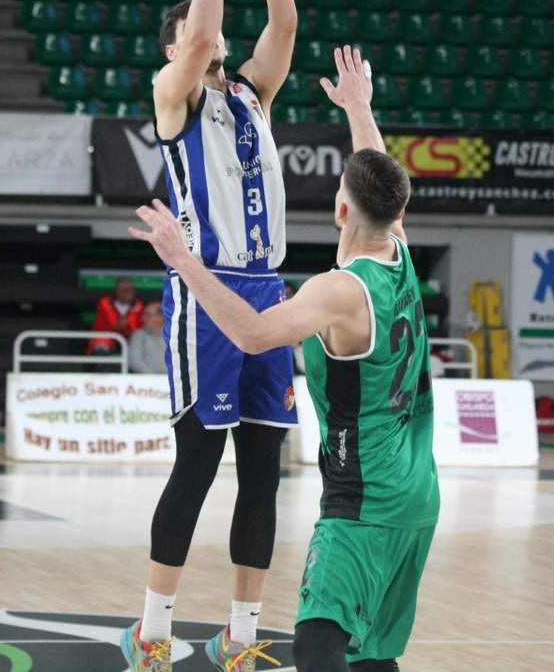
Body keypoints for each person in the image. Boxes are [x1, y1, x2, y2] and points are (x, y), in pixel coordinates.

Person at [129, 45, 437, 672]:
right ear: (396, 212)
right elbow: (379, 179)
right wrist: (358, 107)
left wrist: (183, 261)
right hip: (418, 498)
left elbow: (250, 335)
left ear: (340, 209)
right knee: (373, 657)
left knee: (320, 649)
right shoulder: (398, 253)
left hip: (362, 501)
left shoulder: (338, 290)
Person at [123, 0, 300, 672]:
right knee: (198, 462)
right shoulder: (173, 94)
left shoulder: (253, 96)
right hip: (207, 287)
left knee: (263, 472)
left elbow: (285, 26)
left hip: (269, 291)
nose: (208, 37)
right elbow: (199, 39)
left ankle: (238, 634)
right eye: (195, 32)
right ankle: (154, 631)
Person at [92, 276, 146, 355]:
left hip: (131, 339)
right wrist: (116, 327)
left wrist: (128, 327)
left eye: (131, 290)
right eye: (125, 290)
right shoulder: (105, 304)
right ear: (117, 291)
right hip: (110, 338)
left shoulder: (139, 305)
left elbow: (141, 328)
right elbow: (99, 327)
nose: (129, 293)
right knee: (101, 342)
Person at [128, 301, 170, 376]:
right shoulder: (138, 335)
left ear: (161, 317)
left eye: (148, 315)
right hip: (146, 382)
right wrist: (152, 377)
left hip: (173, 380)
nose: (144, 318)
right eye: (144, 314)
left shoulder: (174, 336)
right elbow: (134, 361)